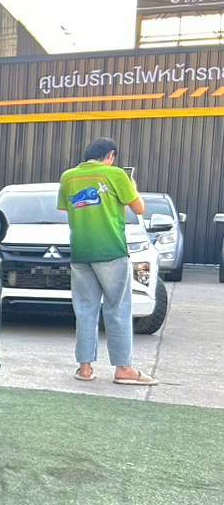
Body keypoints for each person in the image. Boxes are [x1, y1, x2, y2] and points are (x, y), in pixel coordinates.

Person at [57, 137, 155, 386]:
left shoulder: (68, 177)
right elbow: (139, 208)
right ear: (110, 155)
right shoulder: (116, 174)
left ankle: (85, 368)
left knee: (85, 310)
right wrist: (131, 185)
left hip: (81, 251)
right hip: (111, 250)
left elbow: (66, 209)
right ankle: (124, 368)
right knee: (118, 308)